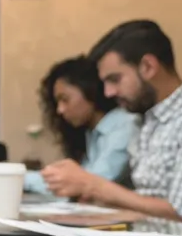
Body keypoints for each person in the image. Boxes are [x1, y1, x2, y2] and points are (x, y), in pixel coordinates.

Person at [41, 20, 182, 227]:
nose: (108, 93)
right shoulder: (144, 120)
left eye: (115, 79)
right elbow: (142, 202)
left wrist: (92, 185)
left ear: (148, 67)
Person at [25, 55, 137, 195]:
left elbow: (90, 182)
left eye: (65, 100)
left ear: (90, 91)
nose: (60, 110)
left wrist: (19, 177)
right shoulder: (92, 132)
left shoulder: (124, 126)